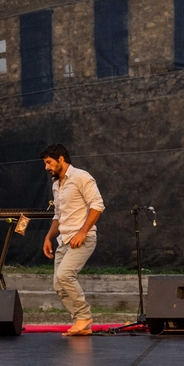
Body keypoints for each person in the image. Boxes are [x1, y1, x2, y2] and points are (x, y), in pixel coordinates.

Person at [40, 143, 105, 337]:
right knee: (58, 284)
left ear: (61, 158)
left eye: (49, 162)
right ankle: (82, 323)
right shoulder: (56, 185)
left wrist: (83, 232)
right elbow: (58, 215)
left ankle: (84, 316)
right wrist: (48, 237)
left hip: (82, 238)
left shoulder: (81, 177)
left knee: (65, 276)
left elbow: (98, 205)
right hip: (64, 240)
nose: (47, 167)